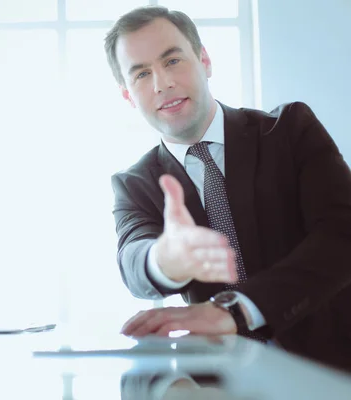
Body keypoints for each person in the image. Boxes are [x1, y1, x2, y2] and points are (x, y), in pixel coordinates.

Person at [106, 5, 351, 374]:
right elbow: (133, 257)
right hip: (220, 383)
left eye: (172, 61)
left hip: (334, 368)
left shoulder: (290, 131)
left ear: (204, 60)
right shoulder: (134, 184)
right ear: (128, 95)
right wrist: (163, 259)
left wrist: (238, 310)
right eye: (141, 74)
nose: (161, 83)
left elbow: (342, 236)